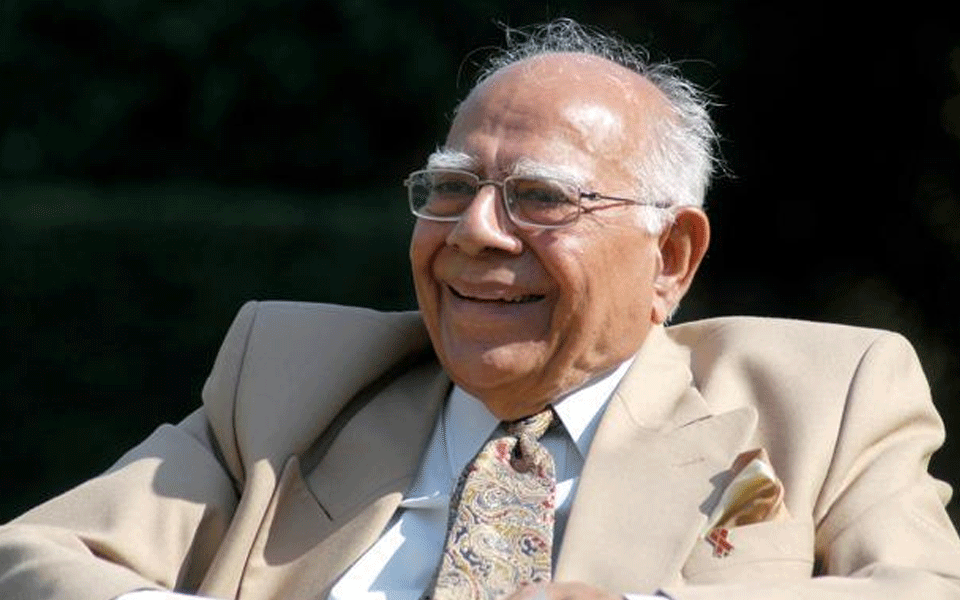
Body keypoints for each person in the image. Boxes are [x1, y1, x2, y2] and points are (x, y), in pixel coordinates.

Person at [2, 18, 959, 600]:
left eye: (541, 197)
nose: (475, 231)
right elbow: (31, 558)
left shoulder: (821, 402)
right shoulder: (290, 380)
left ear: (670, 257)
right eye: (452, 187)